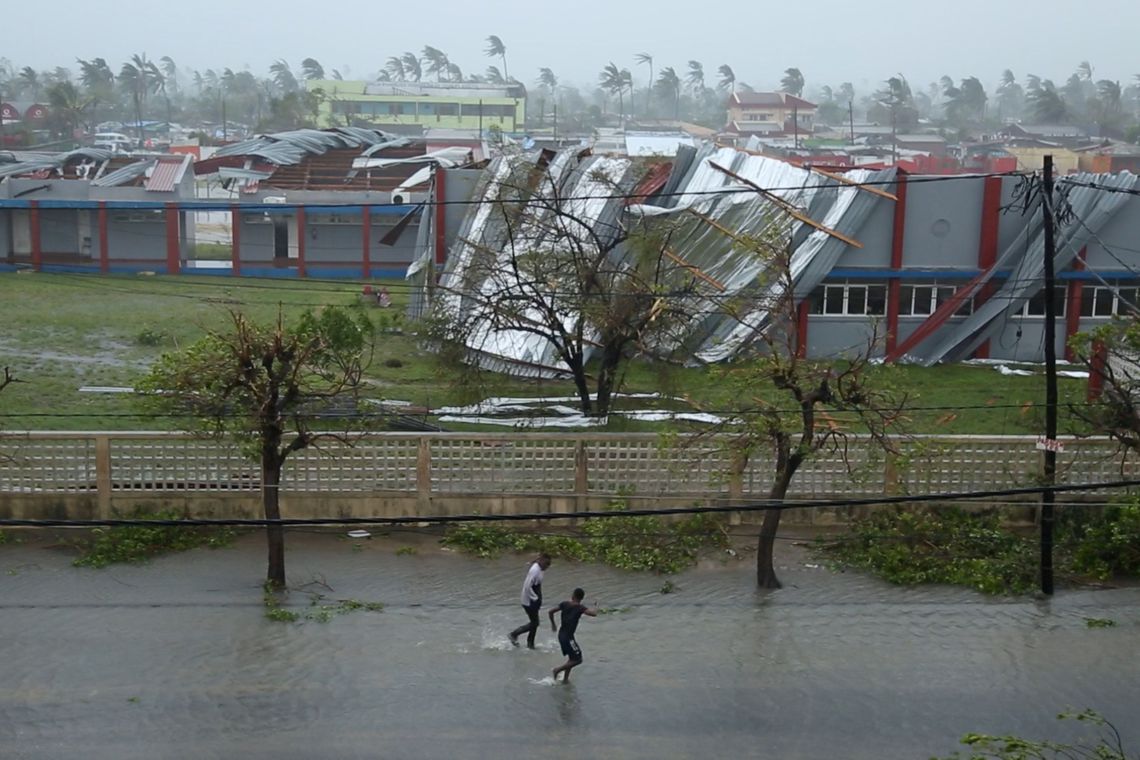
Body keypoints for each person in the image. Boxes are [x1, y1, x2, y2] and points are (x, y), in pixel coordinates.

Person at [549, 588, 597, 683]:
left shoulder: (564, 604)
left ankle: (565, 680)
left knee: (572, 658)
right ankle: (557, 670)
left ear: (573, 596)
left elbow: (550, 611)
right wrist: (596, 606)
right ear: (581, 598)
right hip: (568, 637)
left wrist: (553, 624)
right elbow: (594, 614)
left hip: (561, 634)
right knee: (578, 659)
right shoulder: (580, 608)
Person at [508, 553, 551, 649]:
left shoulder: (540, 568)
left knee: (534, 622)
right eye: (546, 564)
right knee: (535, 623)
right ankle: (514, 634)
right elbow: (527, 586)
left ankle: (530, 644)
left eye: (549, 565)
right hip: (529, 600)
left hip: (534, 596)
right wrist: (535, 598)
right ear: (541, 561)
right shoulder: (534, 570)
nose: (547, 567)